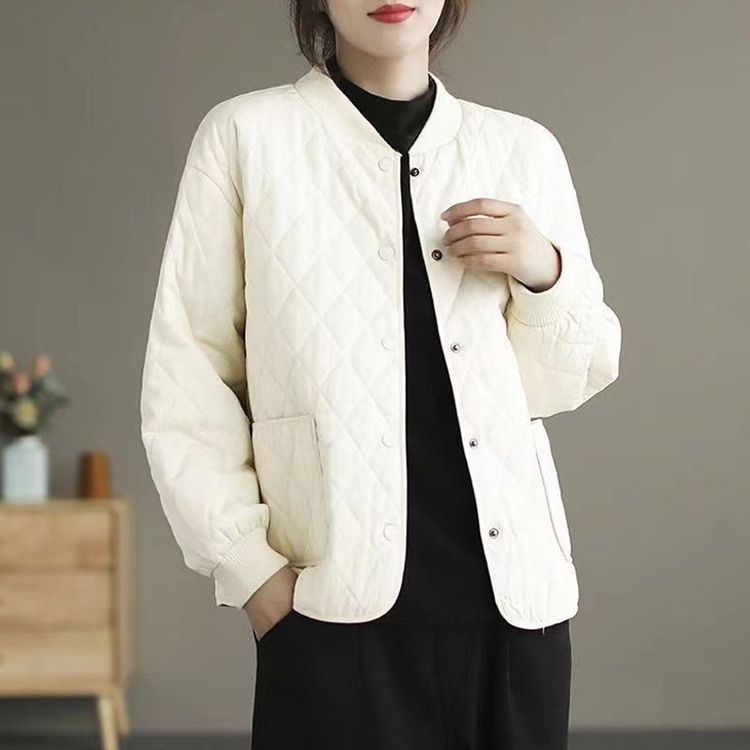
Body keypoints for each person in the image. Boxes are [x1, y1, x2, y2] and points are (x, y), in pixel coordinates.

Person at [140, 1, 622, 748]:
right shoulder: (247, 137)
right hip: (331, 610)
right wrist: (252, 573)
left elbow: (561, 384)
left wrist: (545, 273)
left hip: (515, 610)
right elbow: (188, 375)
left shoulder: (521, 149)